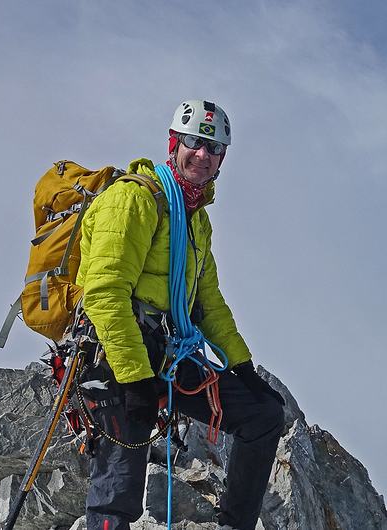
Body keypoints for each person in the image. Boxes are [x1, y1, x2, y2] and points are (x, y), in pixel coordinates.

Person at [76, 99, 285, 530]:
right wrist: (135, 378)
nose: (203, 155)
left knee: (264, 416)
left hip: (165, 351)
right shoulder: (134, 199)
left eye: (214, 149)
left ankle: (234, 524)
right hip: (114, 352)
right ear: (174, 143)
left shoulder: (195, 220)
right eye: (194, 142)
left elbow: (207, 301)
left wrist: (242, 367)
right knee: (119, 490)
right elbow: (104, 293)